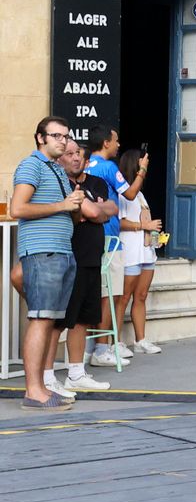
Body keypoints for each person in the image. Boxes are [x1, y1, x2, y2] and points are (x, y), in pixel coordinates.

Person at [13, 116, 84, 410]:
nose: (63, 141)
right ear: (40, 137)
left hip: (61, 251)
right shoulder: (31, 165)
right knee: (41, 319)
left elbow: (69, 214)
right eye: (56, 136)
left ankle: (42, 387)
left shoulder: (56, 169)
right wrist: (63, 205)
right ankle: (33, 392)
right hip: (43, 252)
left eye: (66, 136)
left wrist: (75, 206)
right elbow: (18, 207)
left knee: (50, 320)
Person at [48, 140, 118, 398]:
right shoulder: (59, 183)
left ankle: (75, 374)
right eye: (69, 154)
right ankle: (46, 377)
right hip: (69, 258)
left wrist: (93, 209)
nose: (76, 158)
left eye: (78, 153)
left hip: (92, 258)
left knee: (82, 319)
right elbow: (96, 212)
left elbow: (110, 209)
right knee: (58, 320)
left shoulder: (96, 182)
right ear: (60, 159)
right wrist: (95, 210)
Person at [84, 124, 148, 367]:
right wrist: (141, 170)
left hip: (92, 236)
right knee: (110, 293)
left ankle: (99, 347)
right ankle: (101, 349)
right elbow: (130, 194)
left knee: (101, 292)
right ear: (106, 143)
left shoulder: (88, 165)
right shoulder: (109, 167)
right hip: (109, 238)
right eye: (116, 140)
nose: (119, 145)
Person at [116, 147, 162, 355]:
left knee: (141, 296)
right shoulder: (122, 193)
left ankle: (140, 339)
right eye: (142, 163)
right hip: (130, 251)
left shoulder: (140, 194)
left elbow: (145, 221)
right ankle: (115, 342)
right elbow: (120, 223)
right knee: (123, 297)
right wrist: (145, 227)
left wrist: (154, 237)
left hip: (145, 251)